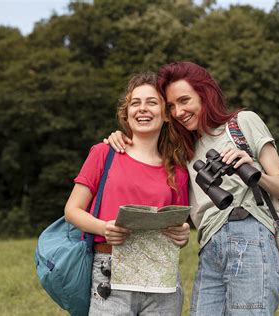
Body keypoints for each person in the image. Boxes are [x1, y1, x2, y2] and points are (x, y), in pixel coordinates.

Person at [105, 61, 279, 315]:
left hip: (249, 233)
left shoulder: (242, 123)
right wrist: (119, 136)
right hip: (209, 246)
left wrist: (253, 172)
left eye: (184, 100)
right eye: (171, 106)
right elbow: (145, 148)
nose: (179, 111)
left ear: (204, 95)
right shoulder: (183, 150)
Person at [64, 72, 190, 315]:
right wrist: (103, 228)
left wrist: (182, 234)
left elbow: (178, 227)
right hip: (109, 272)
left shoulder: (178, 171)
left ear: (165, 114)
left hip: (161, 278)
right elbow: (72, 211)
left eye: (152, 102)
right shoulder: (103, 153)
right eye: (135, 103)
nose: (143, 109)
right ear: (127, 113)